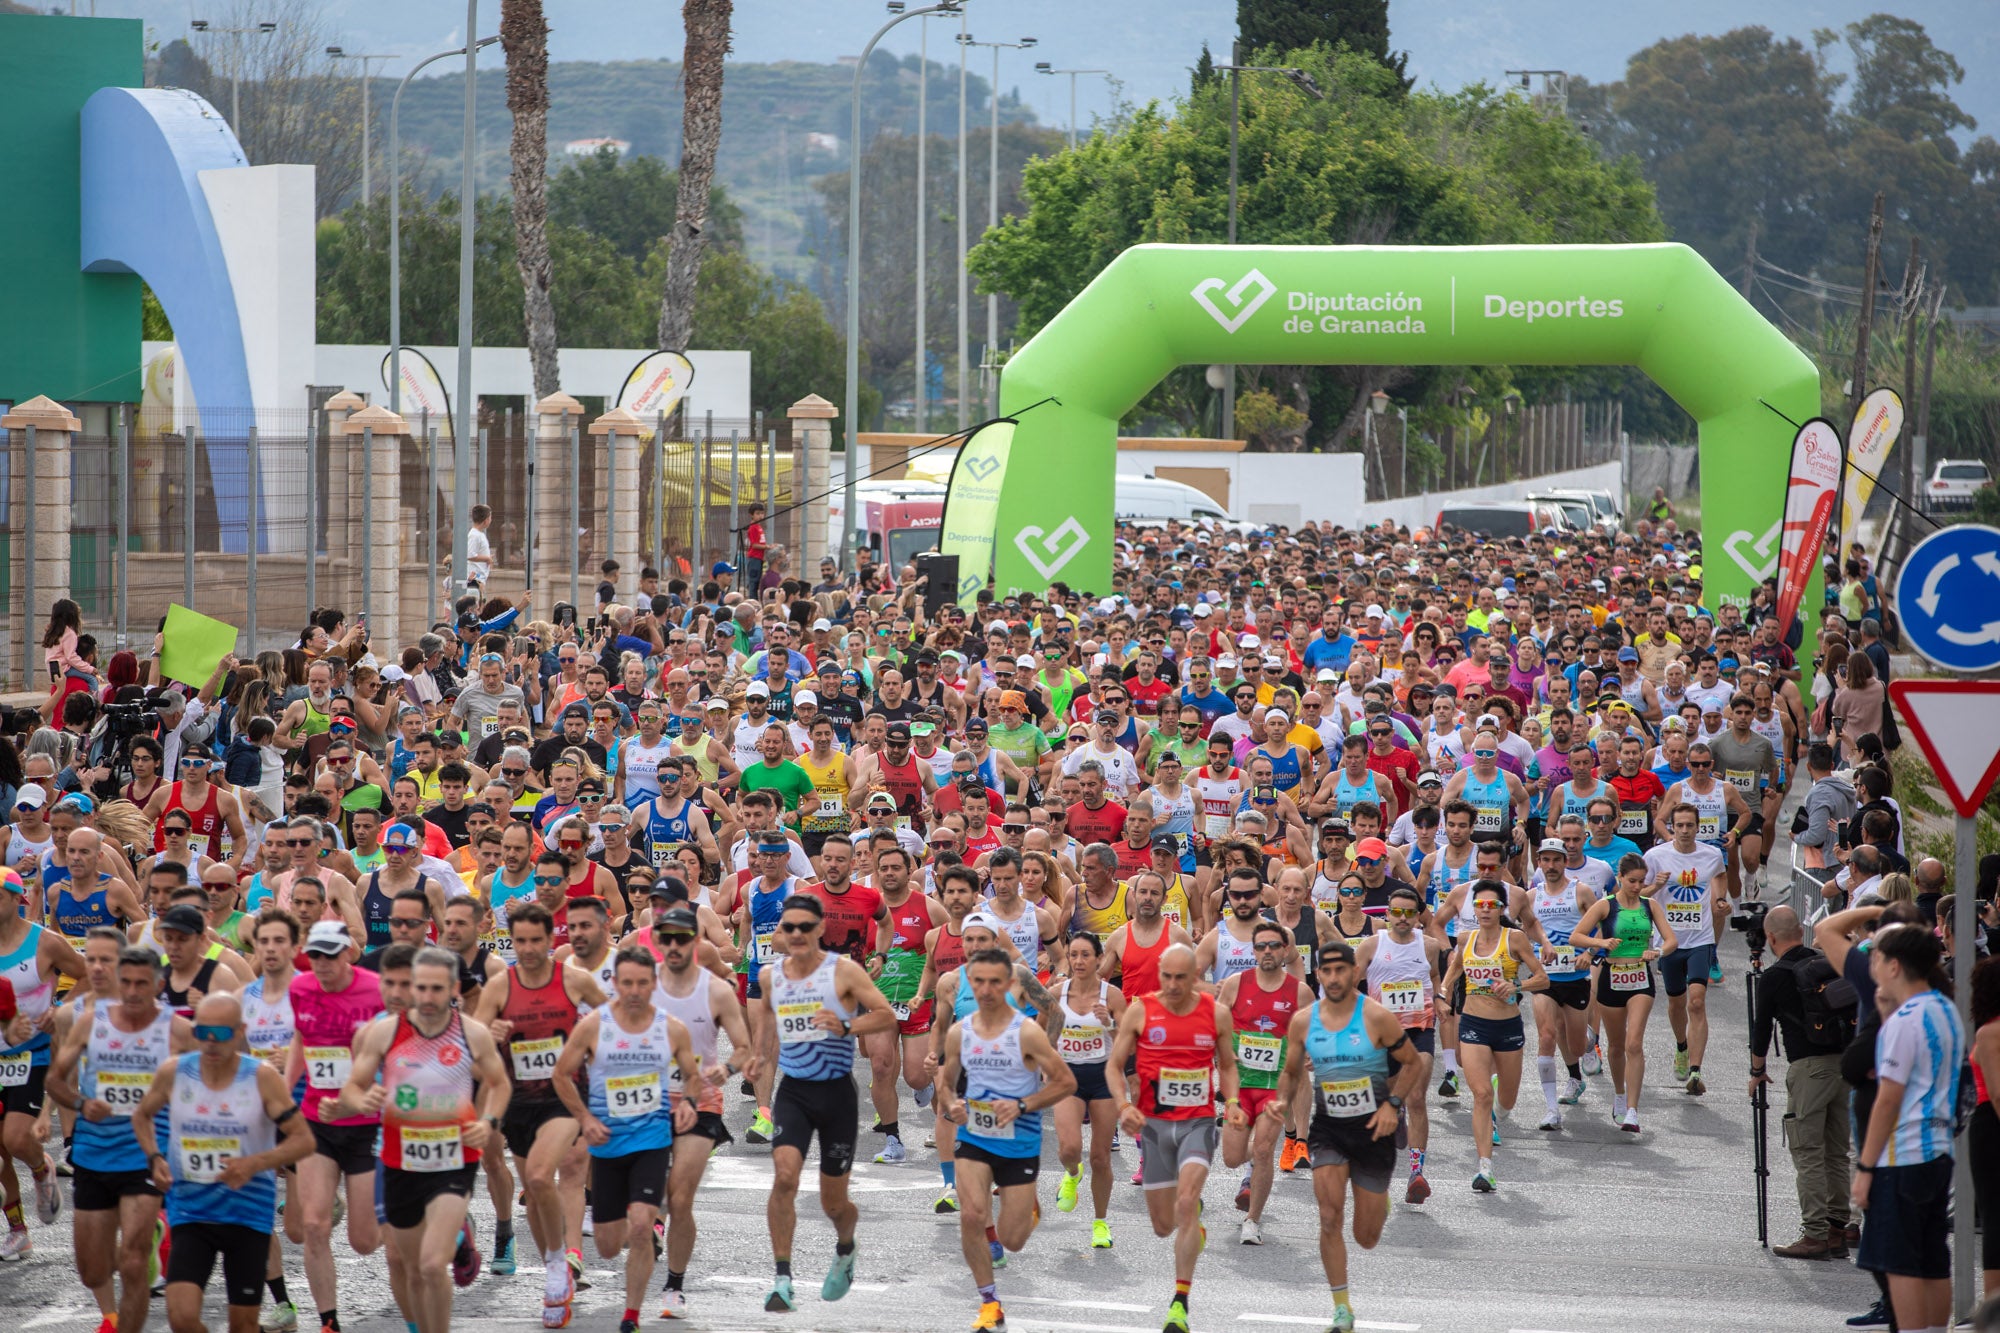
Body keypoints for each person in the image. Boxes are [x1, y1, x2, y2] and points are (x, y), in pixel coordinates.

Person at [332, 946, 509, 1333]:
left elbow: (499, 1083)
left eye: (436, 989)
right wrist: (364, 1099)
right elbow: (351, 1088)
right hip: (400, 1161)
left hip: (453, 1159)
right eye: (421, 988)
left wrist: (489, 1120)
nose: (427, 998)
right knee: (410, 1268)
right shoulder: (384, 1032)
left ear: (453, 992)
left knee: (432, 1264)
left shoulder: (470, 1033)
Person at [132, 992, 315, 1333]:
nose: (211, 1044)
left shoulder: (261, 1077)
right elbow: (142, 1115)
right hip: (191, 1211)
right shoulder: (175, 1072)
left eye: (222, 1035)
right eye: (203, 1034)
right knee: (182, 1319)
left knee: (242, 1326)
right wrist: (154, 1157)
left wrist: (254, 1163)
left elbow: (304, 1139)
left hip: (246, 1215)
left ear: (241, 1031)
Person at [750, 892, 896, 1313]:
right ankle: (782, 1278)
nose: (795, 935)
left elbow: (885, 1014)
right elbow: (767, 1035)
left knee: (833, 1202)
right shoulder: (770, 977)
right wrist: (755, 1060)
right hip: (795, 1091)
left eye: (803, 928)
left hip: (836, 1095)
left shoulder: (843, 972)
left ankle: (846, 1247)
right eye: (788, 928)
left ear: (818, 931)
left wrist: (847, 1024)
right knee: (784, 1178)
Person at [550, 946, 703, 1333]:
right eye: (627, 983)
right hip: (607, 1145)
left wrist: (688, 1102)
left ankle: (631, 1316)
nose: (634, 990)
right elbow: (561, 1073)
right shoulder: (594, 1026)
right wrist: (584, 1118)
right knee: (606, 1244)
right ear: (615, 984)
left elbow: (692, 1074)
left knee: (640, 1226)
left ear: (653, 985)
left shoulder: (671, 1028)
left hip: (652, 1141)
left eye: (642, 983)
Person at [46, 936, 194, 1333]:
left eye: (141, 984)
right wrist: (79, 1105)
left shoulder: (177, 1031)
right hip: (94, 1153)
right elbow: (55, 1080)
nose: (131, 992)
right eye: (124, 982)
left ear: (158, 986)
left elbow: (207, 1085)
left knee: (132, 1263)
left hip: (144, 1155)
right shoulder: (92, 1023)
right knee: (91, 1269)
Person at [1274, 939, 1423, 1333]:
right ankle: (1341, 1308)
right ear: (1318, 974)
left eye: (1342, 970)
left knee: (1367, 1237)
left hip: (1373, 1130)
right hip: (1329, 1131)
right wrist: (1280, 1102)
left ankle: (1380, 1200)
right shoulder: (1304, 1021)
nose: (1335, 978)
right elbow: (1291, 1071)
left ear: (1356, 973)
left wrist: (1393, 1105)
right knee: (1328, 1216)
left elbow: (1412, 1064)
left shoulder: (1376, 1016)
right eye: (1327, 971)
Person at [471, 900, 607, 1323]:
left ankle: (558, 1268)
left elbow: (616, 1022)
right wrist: (490, 1038)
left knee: (535, 1177)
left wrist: (594, 1051)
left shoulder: (575, 980)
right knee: (534, 1195)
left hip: (564, 1099)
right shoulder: (499, 987)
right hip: (518, 1102)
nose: (528, 949)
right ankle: (555, 1263)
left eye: (536, 941)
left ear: (551, 940)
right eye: (520, 941)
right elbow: (473, 1058)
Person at [1104, 943, 1248, 1333]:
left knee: (1187, 1203)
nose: (1171, 984)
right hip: (1153, 1125)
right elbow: (1115, 1067)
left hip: (1197, 1123)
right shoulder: (1141, 1010)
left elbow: (1229, 1065)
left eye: (1180, 978)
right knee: (1162, 1225)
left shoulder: (1215, 1014)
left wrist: (1232, 1101)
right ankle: (1190, 1226)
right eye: (1166, 976)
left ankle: (1180, 1302)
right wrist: (1123, 1107)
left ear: (1195, 977)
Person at [934, 947, 1076, 1333]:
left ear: (1010, 985)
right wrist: (953, 1106)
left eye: (994, 982)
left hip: (1020, 1140)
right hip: (975, 1136)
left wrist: (1024, 1103)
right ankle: (988, 1302)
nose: (985, 990)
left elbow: (1066, 1082)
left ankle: (1029, 1208)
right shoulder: (960, 1033)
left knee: (1013, 1240)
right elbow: (946, 1087)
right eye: (978, 982)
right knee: (972, 1215)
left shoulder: (1026, 1032)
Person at [1852, 924, 1965, 1333]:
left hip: (1902, 1153)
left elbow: (1889, 1098)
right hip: (1938, 1148)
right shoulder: (1945, 1008)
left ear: (1894, 965)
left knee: (1900, 1262)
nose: (1872, 964)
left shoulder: (1905, 1019)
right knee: (1933, 1256)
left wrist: (1866, 1168)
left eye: (1877, 957)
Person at [650, 905, 759, 1319]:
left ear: (697, 942)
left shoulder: (714, 990)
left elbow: (744, 1046)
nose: (675, 945)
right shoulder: (642, 986)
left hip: (701, 1102)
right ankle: (649, 1219)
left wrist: (727, 1069)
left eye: (684, 937)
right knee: (646, 1201)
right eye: (668, 938)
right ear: (658, 941)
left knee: (681, 1197)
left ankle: (674, 1286)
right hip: (650, 1100)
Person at [1750, 905, 1857, 1260]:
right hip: (1844, 1065)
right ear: (1801, 930)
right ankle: (1838, 1231)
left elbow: (1761, 1028)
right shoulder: (1824, 961)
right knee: (1837, 1152)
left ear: (1771, 937)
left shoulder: (1775, 975)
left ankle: (1814, 1233)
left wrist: (1757, 1071)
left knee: (1808, 1153)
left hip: (1809, 1069)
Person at [1437, 879, 1548, 1191]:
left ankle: (1500, 1107)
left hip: (1508, 1027)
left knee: (1506, 1100)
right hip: (1473, 1023)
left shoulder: (1515, 939)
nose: (1485, 910)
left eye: (1492, 905)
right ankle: (1484, 1169)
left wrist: (1517, 986)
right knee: (1481, 1095)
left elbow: (1543, 978)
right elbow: (1454, 972)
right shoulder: (1466, 939)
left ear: (1502, 910)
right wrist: (1442, 995)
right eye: (1480, 905)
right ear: (1474, 909)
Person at [0, 865, 85, 1254]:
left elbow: (85, 974)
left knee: (16, 1139)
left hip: (31, 1054)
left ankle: (41, 1168)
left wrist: (61, 1009)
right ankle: (17, 1229)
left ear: (17, 900)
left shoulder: (44, 942)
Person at [1218, 919, 1312, 1243]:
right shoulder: (1235, 984)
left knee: (1262, 1150)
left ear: (1285, 950)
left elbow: (1315, 1033)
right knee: (1232, 1158)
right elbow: (1215, 1025)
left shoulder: (1300, 992)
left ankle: (1252, 1221)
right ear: (1253, 951)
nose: (1267, 951)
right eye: (1261, 946)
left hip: (1276, 1087)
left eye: (1274, 945)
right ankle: (1250, 1159)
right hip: (1240, 1085)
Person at [1568, 855, 1678, 1132]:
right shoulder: (1606, 906)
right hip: (1612, 977)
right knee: (1616, 1046)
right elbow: (1576, 937)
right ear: (1620, 878)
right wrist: (1601, 942)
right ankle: (1619, 1095)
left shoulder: (1650, 906)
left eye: (1642, 881)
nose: (1637, 886)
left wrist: (1658, 951)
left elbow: (1671, 940)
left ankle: (1632, 1110)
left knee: (1634, 1043)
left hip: (1640, 978)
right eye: (1632, 881)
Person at [1355, 884, 1442, 1202]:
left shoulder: (1429, 945)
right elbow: (1350, 985)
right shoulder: (1370, 946)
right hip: (1383, 1036)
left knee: (1417, 1096)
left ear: (1417, 916)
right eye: (1396, 912)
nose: (1402, 918)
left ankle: (1416, 1173)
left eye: (1409, 913)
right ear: (1387, 914)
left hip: (1419, 1030)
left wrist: (1441, 997)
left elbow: (1434, 977)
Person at [1645, 803, 1728, 1095]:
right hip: (1669, 941)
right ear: (1671, 827)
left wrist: (1719, 901)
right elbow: (1636, 893)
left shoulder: (1711, 854)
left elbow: (1720, 875)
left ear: (1697, 827)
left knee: (1696, 1001)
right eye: (1678, 825)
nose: (1683, 831)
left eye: (1689, 825)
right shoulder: (1656, 856)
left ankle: (1695, 1070)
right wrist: (1654, 886)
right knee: (1676, 1002)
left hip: (1701, 939)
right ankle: (1681, 1045)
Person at [1050, 930, 1125, 1249]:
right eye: (1073, 955)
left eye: (1085, 955)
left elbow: (1126, 1043)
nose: (1078, 961)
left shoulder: (1113, 996)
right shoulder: (1056, 994)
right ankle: (1071, 1172)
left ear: (1098, 959)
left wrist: (1109, 1023)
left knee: (1100, 1157)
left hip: (1103, 1076)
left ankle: (1100, 1222)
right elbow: (1045, 1037)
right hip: (1067, 1077)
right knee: (1069, 1149)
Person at [1969, 956, 2000, 1298]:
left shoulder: (1989, 1032)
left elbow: (1997, 1093)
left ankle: (1994, 1303)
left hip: (1991, 1125)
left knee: (1993, 1215)